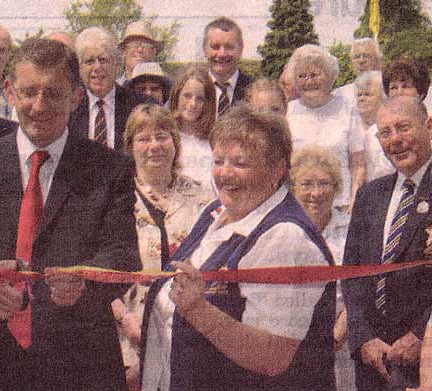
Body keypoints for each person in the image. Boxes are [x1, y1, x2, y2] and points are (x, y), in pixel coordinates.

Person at [0, 38, 140, 391]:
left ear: (76, 97)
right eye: (28, 92)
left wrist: (85, 281)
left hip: (80, 368)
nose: (39, 106)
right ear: (9, 91)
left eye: (53, 94)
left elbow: (123, 255)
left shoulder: (110, 168)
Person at [142, 104, 336, 390]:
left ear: (277, 169)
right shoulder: (215, 212)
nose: (225, 173)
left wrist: (197, 310)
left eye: (240, 164)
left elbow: (272, 356)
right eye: (219, 161)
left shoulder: (286, 238)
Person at [113, 104, 213, 391]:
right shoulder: (114, 198)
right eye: (143, 139)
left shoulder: (203, 198)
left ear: (175, 141)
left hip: (189, 332)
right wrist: (126, 320)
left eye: (162, 136)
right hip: (128, 335)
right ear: (130, 146)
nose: (154, 146)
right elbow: (100, 270)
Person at [343, 96, 432, 391]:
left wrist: (422, 334)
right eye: (385, 132)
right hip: (373, 361)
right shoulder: (370, 195)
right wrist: (363, 337)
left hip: (425, 361)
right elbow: (352, 274)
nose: (395, 140)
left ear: (428, 127)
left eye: (403, 128)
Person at [290, 146, 354, 391]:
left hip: (342, 340)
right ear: (293, 189)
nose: (315, 193)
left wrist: (339, 331)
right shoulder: (284, 229)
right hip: (294, 341)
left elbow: (361, 286)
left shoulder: (351, 229)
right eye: (306, 184)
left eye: (324, 184)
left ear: (336, 188)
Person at [286, 44, 366, 210]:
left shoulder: (347, 109)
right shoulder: (288, 112)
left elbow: (358, 164)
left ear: (330, 76)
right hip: (297, 206)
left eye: (315, 75)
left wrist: (354, 203)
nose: (309, 81)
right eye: (302, 76)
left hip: (339, 205)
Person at [69, 26, 147, 150]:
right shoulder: (68, 108)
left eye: (103, 60)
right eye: (89, 61)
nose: (97, 67)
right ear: (80, 68)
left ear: (116, 64)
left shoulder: (140, 105)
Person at [169, 64, 217, 192]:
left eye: (200, 98)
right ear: (177, 96)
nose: (193, 104)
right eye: (187, 96)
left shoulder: (215, 140)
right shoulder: (166, 137)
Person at [202, 17, 253, 116]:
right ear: (204, 49)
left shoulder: (253, 91)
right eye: (215, 47)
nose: (222, 54)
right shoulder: (191, 91)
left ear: (241, 49)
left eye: (229, 47)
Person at [355, 71, 393, 181]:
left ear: (383, 98)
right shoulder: (351, 128)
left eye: (367, 94)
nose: (361, 99)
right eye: (359, 95)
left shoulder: (388, 131)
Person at [335, 38, 383, 109]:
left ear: (379, 61)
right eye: (356, 57)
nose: (361, 60)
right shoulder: (341, 95)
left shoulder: (392, 91)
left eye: (367, 56)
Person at [117, 21, 164, 85]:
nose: (140, 50)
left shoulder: (164, 89)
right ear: (123, 51)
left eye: (146, 45)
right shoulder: (111, 89)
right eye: (134, 44)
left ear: (154, 52)